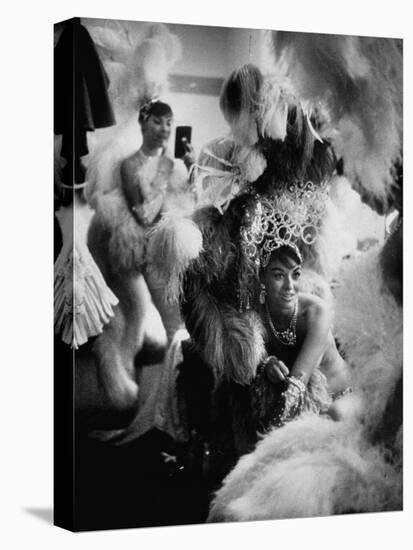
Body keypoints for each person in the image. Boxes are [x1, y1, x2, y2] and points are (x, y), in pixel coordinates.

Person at [119, 98, 195, 342]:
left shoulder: (177, 165)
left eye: (170, 123)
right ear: (143, 123)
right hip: (156, 257)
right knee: (174, 329)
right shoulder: (130, 165)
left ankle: (186, 379)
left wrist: (193, 170)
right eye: (158, 122)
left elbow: (195, 205)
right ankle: (173, 380)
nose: (165, 129)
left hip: (188, 258)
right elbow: (144, 216)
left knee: (195, 328)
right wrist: (164, 168)